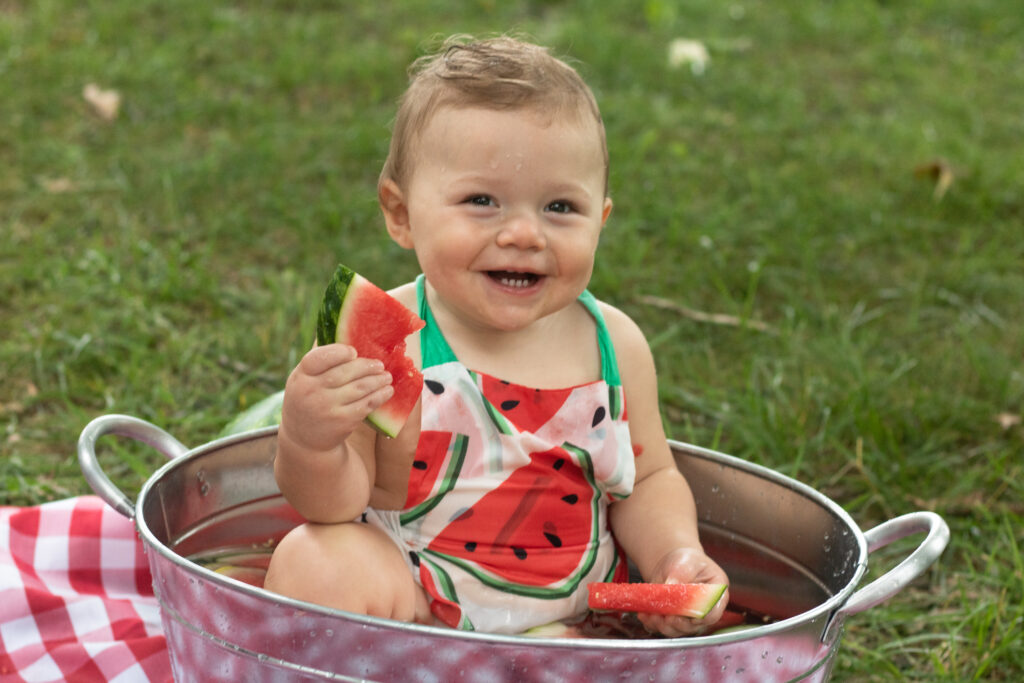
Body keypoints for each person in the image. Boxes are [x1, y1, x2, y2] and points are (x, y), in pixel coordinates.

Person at [264, 34, 729, 637]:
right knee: (315, 560)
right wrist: (309, 441)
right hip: (418, 610)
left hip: (582, 621)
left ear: (602, 220)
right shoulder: (390, 341)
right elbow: (336, 505)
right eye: (482, 200)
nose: (523, 234)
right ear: (401, 213)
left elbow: (651, 481)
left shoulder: (615, 344)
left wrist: (675, 560)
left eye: (560, 207)